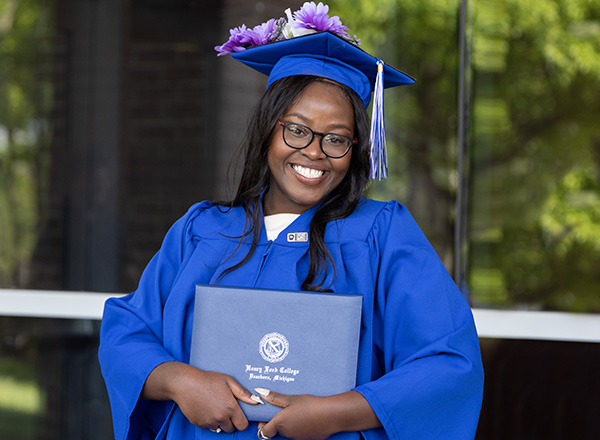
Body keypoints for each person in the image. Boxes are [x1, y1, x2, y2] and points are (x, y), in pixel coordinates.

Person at [99, 3, 484, 440]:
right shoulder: (203, 231)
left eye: (336, 139)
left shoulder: (381, 235)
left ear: (355, 148)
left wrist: (338, 413)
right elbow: (126, 332)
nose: (315, 152)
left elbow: (448, 363)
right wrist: (181, 381)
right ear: (268, 130)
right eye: (297, 130)